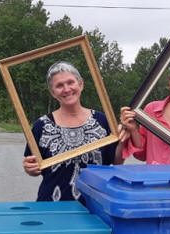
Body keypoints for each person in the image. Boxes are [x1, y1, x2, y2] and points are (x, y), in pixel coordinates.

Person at [23, 61, 122, 201]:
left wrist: (123, 139)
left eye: (70, 82)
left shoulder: (103, 121)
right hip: (52, 205)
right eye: (59, 85)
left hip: (95, 204)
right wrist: (30, 169)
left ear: (80, 84)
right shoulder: (41, 126)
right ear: (52, 92)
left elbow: (116, 162)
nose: (66, 89)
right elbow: (34, 167)